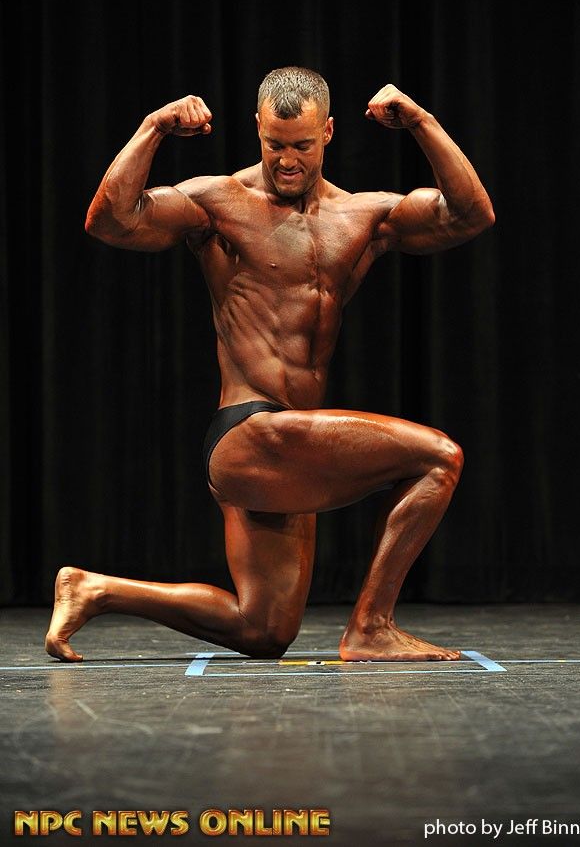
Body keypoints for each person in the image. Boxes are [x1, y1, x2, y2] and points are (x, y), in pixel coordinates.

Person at [45, 67, 494, 664]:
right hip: (249, 430)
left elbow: (469, 215)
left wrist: (421, 122)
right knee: (440, 457)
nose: (286, 160)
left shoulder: (363, 215)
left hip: (290, 446)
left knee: (263, 629)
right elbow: (111, 220)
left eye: (301, 145)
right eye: (274, 144)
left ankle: (95, 590)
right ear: (257, 127)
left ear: (327, 132)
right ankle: (371, 627)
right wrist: (153, 128)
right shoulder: (218, 202)